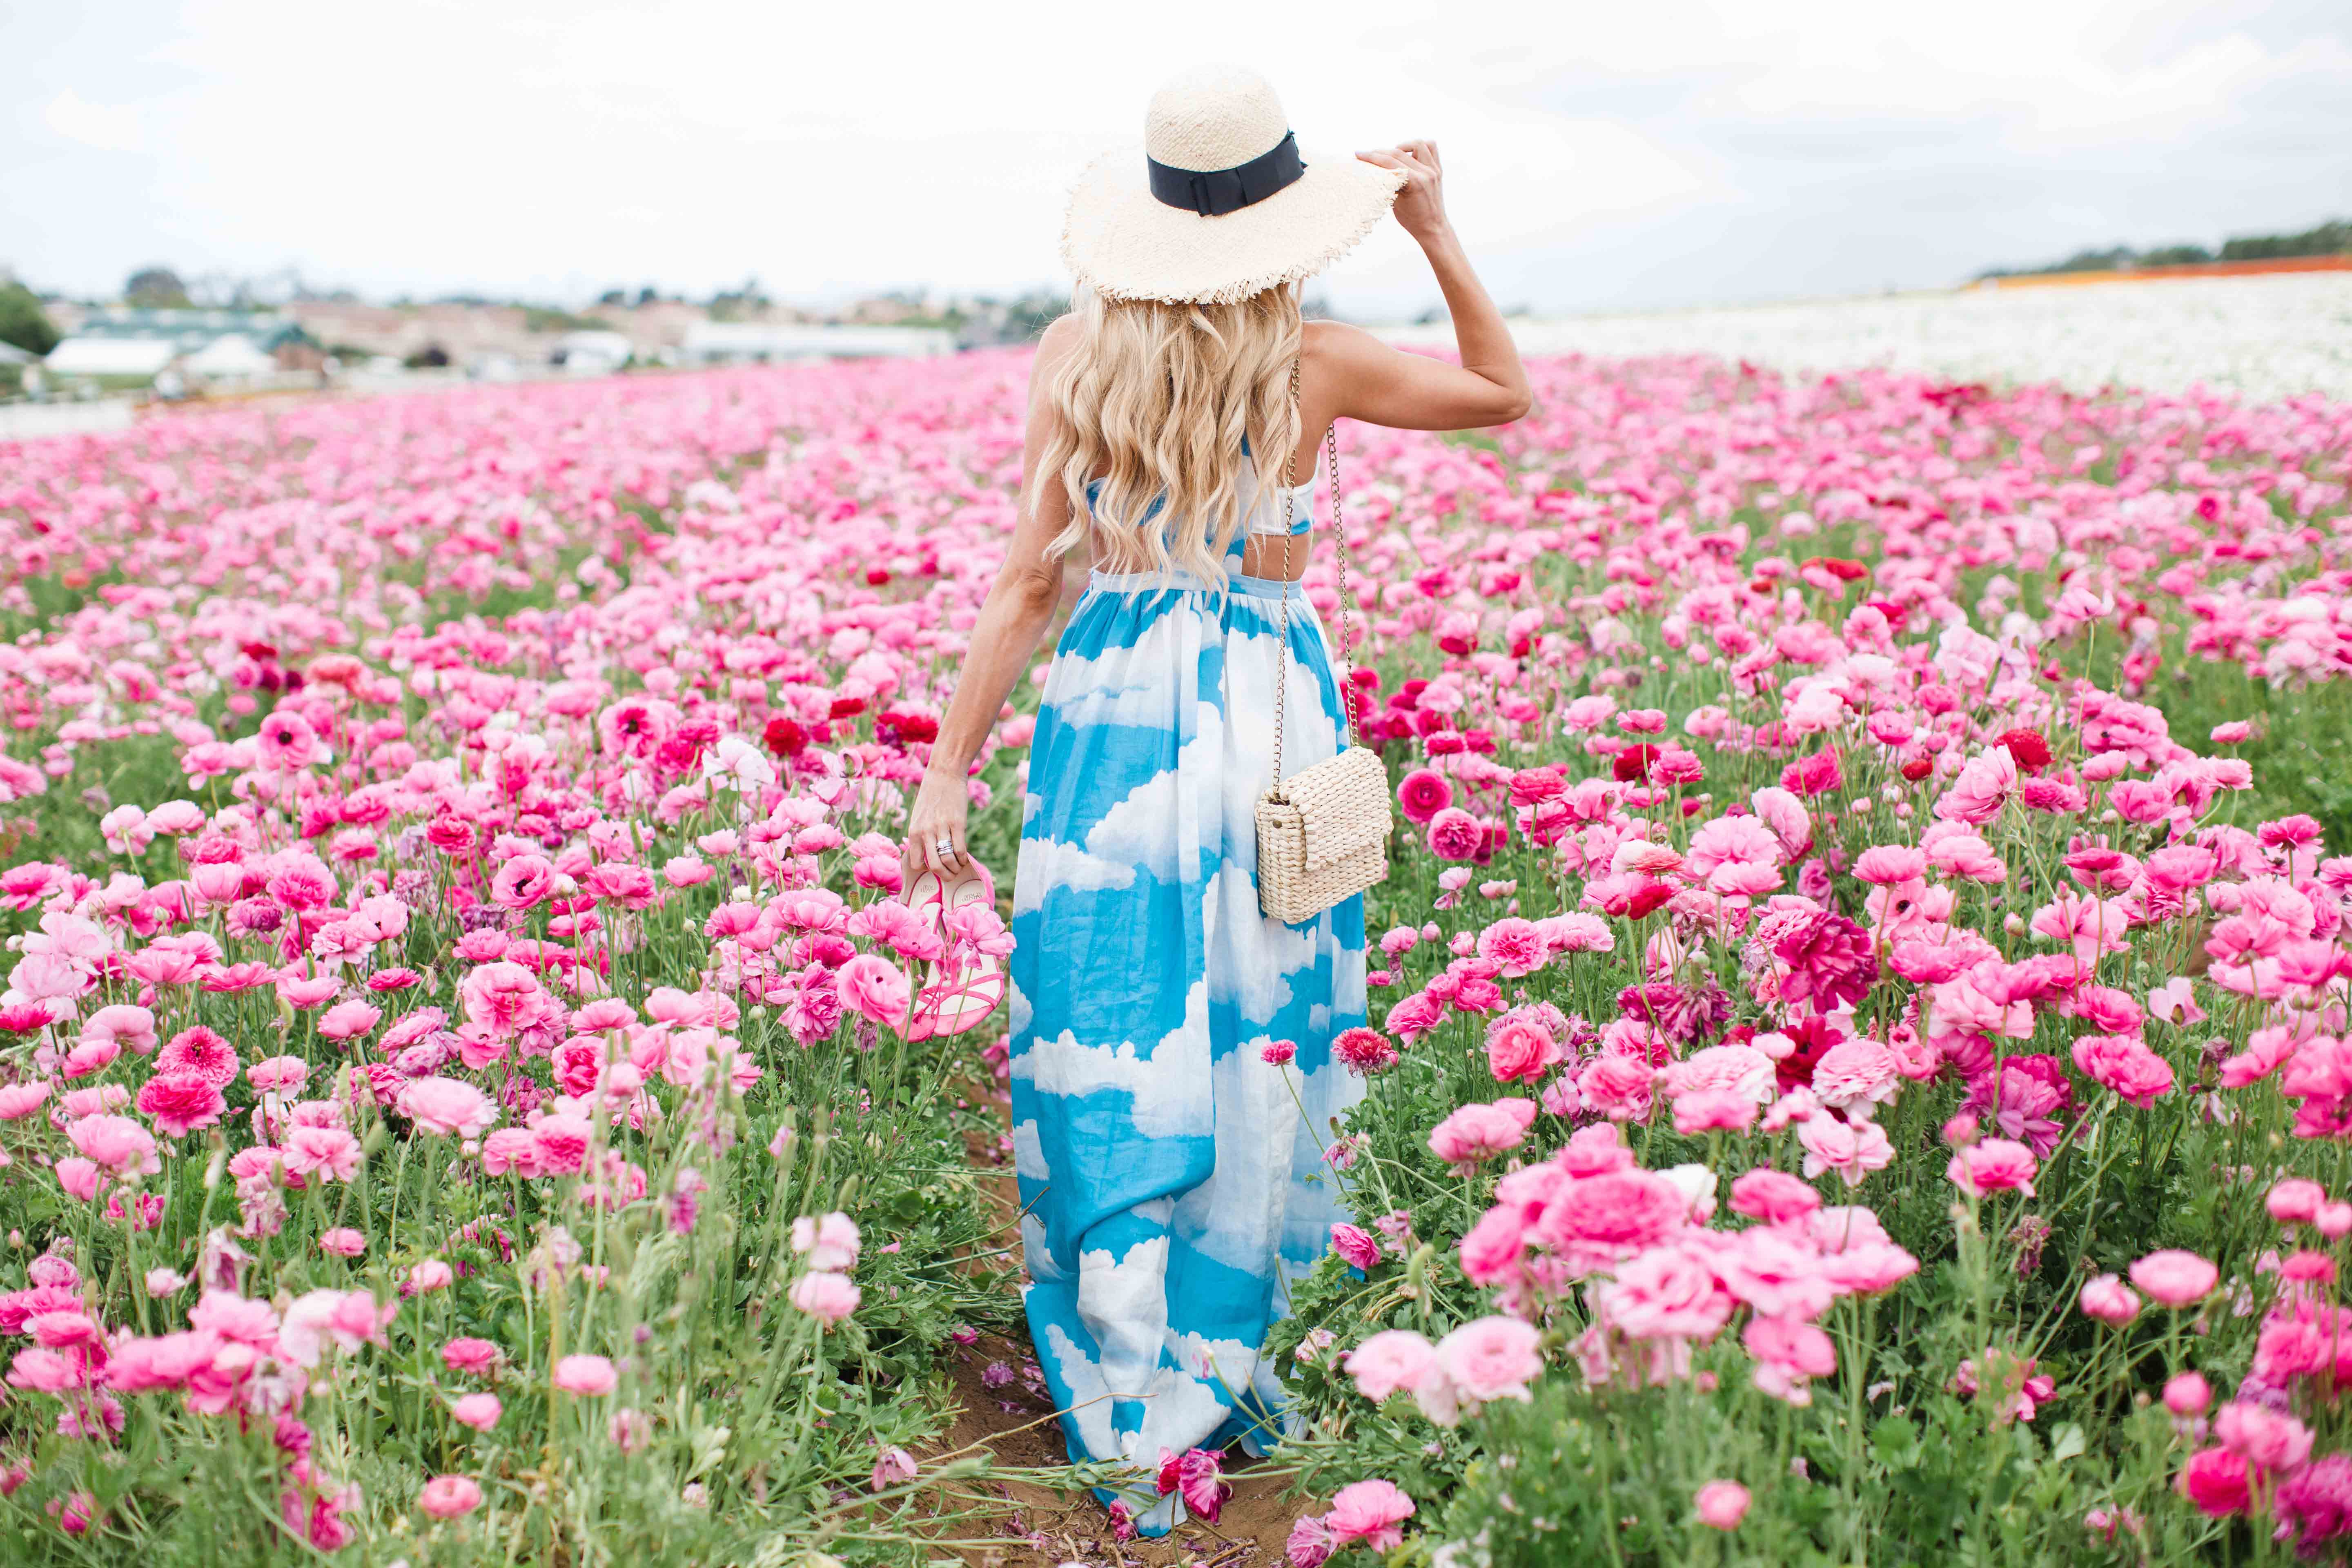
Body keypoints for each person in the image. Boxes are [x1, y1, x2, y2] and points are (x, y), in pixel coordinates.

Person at [900, 63, 1529, 1535]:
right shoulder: (1320, 362)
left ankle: (1123, 1335)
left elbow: (1023, 585)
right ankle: (1237, 1327)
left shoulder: (1075, 355)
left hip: (1109, 710)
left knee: (1108, 1003)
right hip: (1266, 711)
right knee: (1268, 1006)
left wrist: (946, 768)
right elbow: (1505, 393)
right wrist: (1437, 231)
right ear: (1287, 222)